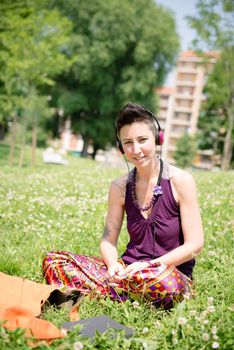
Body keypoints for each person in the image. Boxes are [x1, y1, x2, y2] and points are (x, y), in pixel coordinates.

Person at [43, 102, 204, 309]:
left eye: (142, 140)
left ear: (158, 139)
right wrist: (112, 266)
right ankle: (126, 293)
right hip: (128, 272)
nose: (136, 150)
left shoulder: (181, 181)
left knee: (167, 285)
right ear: (121, 148)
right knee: (54, 260)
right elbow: (108, 239)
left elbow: (195, 244)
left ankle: (108, 293)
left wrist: (149, 266)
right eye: (128, 142)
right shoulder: (119, 187)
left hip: (166, 274)